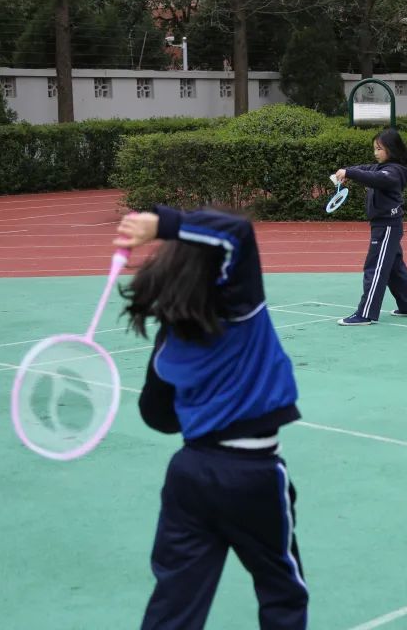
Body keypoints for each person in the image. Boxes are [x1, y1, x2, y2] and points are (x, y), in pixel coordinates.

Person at [115, 206, 308, 630]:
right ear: (220, 268)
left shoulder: (170, 336)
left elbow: (158, 416)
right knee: (282, 589)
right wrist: (162, 224)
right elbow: (237, 231)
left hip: (189, 476)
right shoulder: (240, 306)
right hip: (252, 474)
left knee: (175, 601)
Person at [333, 128, 407, 325]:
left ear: (391, 149)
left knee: (376, 267)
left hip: (387, 226)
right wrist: (347, 171)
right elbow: (367, 170)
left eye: (379, 149)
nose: (376, 152)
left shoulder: (393, 172)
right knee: (394, 268)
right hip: (386, 225)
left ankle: (366, 313)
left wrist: (350, 172)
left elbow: (377, 179)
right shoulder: (384, 167)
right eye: (374, 148)